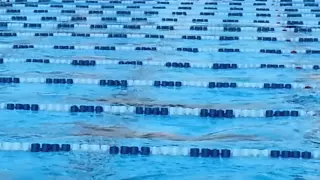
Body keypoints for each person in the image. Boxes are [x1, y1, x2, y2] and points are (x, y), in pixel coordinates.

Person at [74, 122, 262, 142]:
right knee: (202, 140)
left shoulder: (117, 133)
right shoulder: (121, 131)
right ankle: (246, 137)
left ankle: (246, 137)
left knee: (200, 141)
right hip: (154, 134)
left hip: (155, 136)